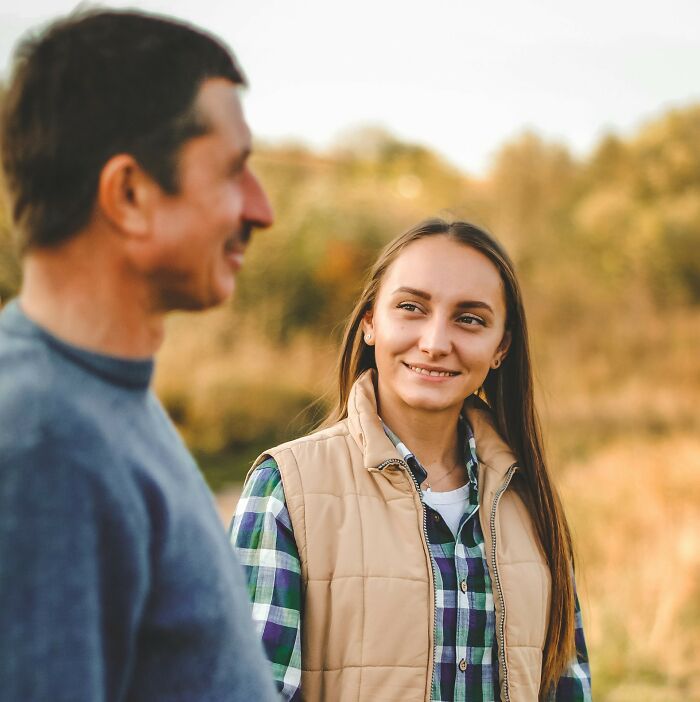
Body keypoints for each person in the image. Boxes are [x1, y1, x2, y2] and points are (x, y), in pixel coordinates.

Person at [0, 9, 278, 701]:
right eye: (234, 170)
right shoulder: (45, 441)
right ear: (129, 195)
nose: (261, 210)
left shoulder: (99, 397)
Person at [231, 218, 592, 701]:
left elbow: (568, 687)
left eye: (470, 318)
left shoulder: (531, 497)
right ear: (369, 324)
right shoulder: (286, 488)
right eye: (410, 308)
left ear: (501, 347)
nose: (435, 342)